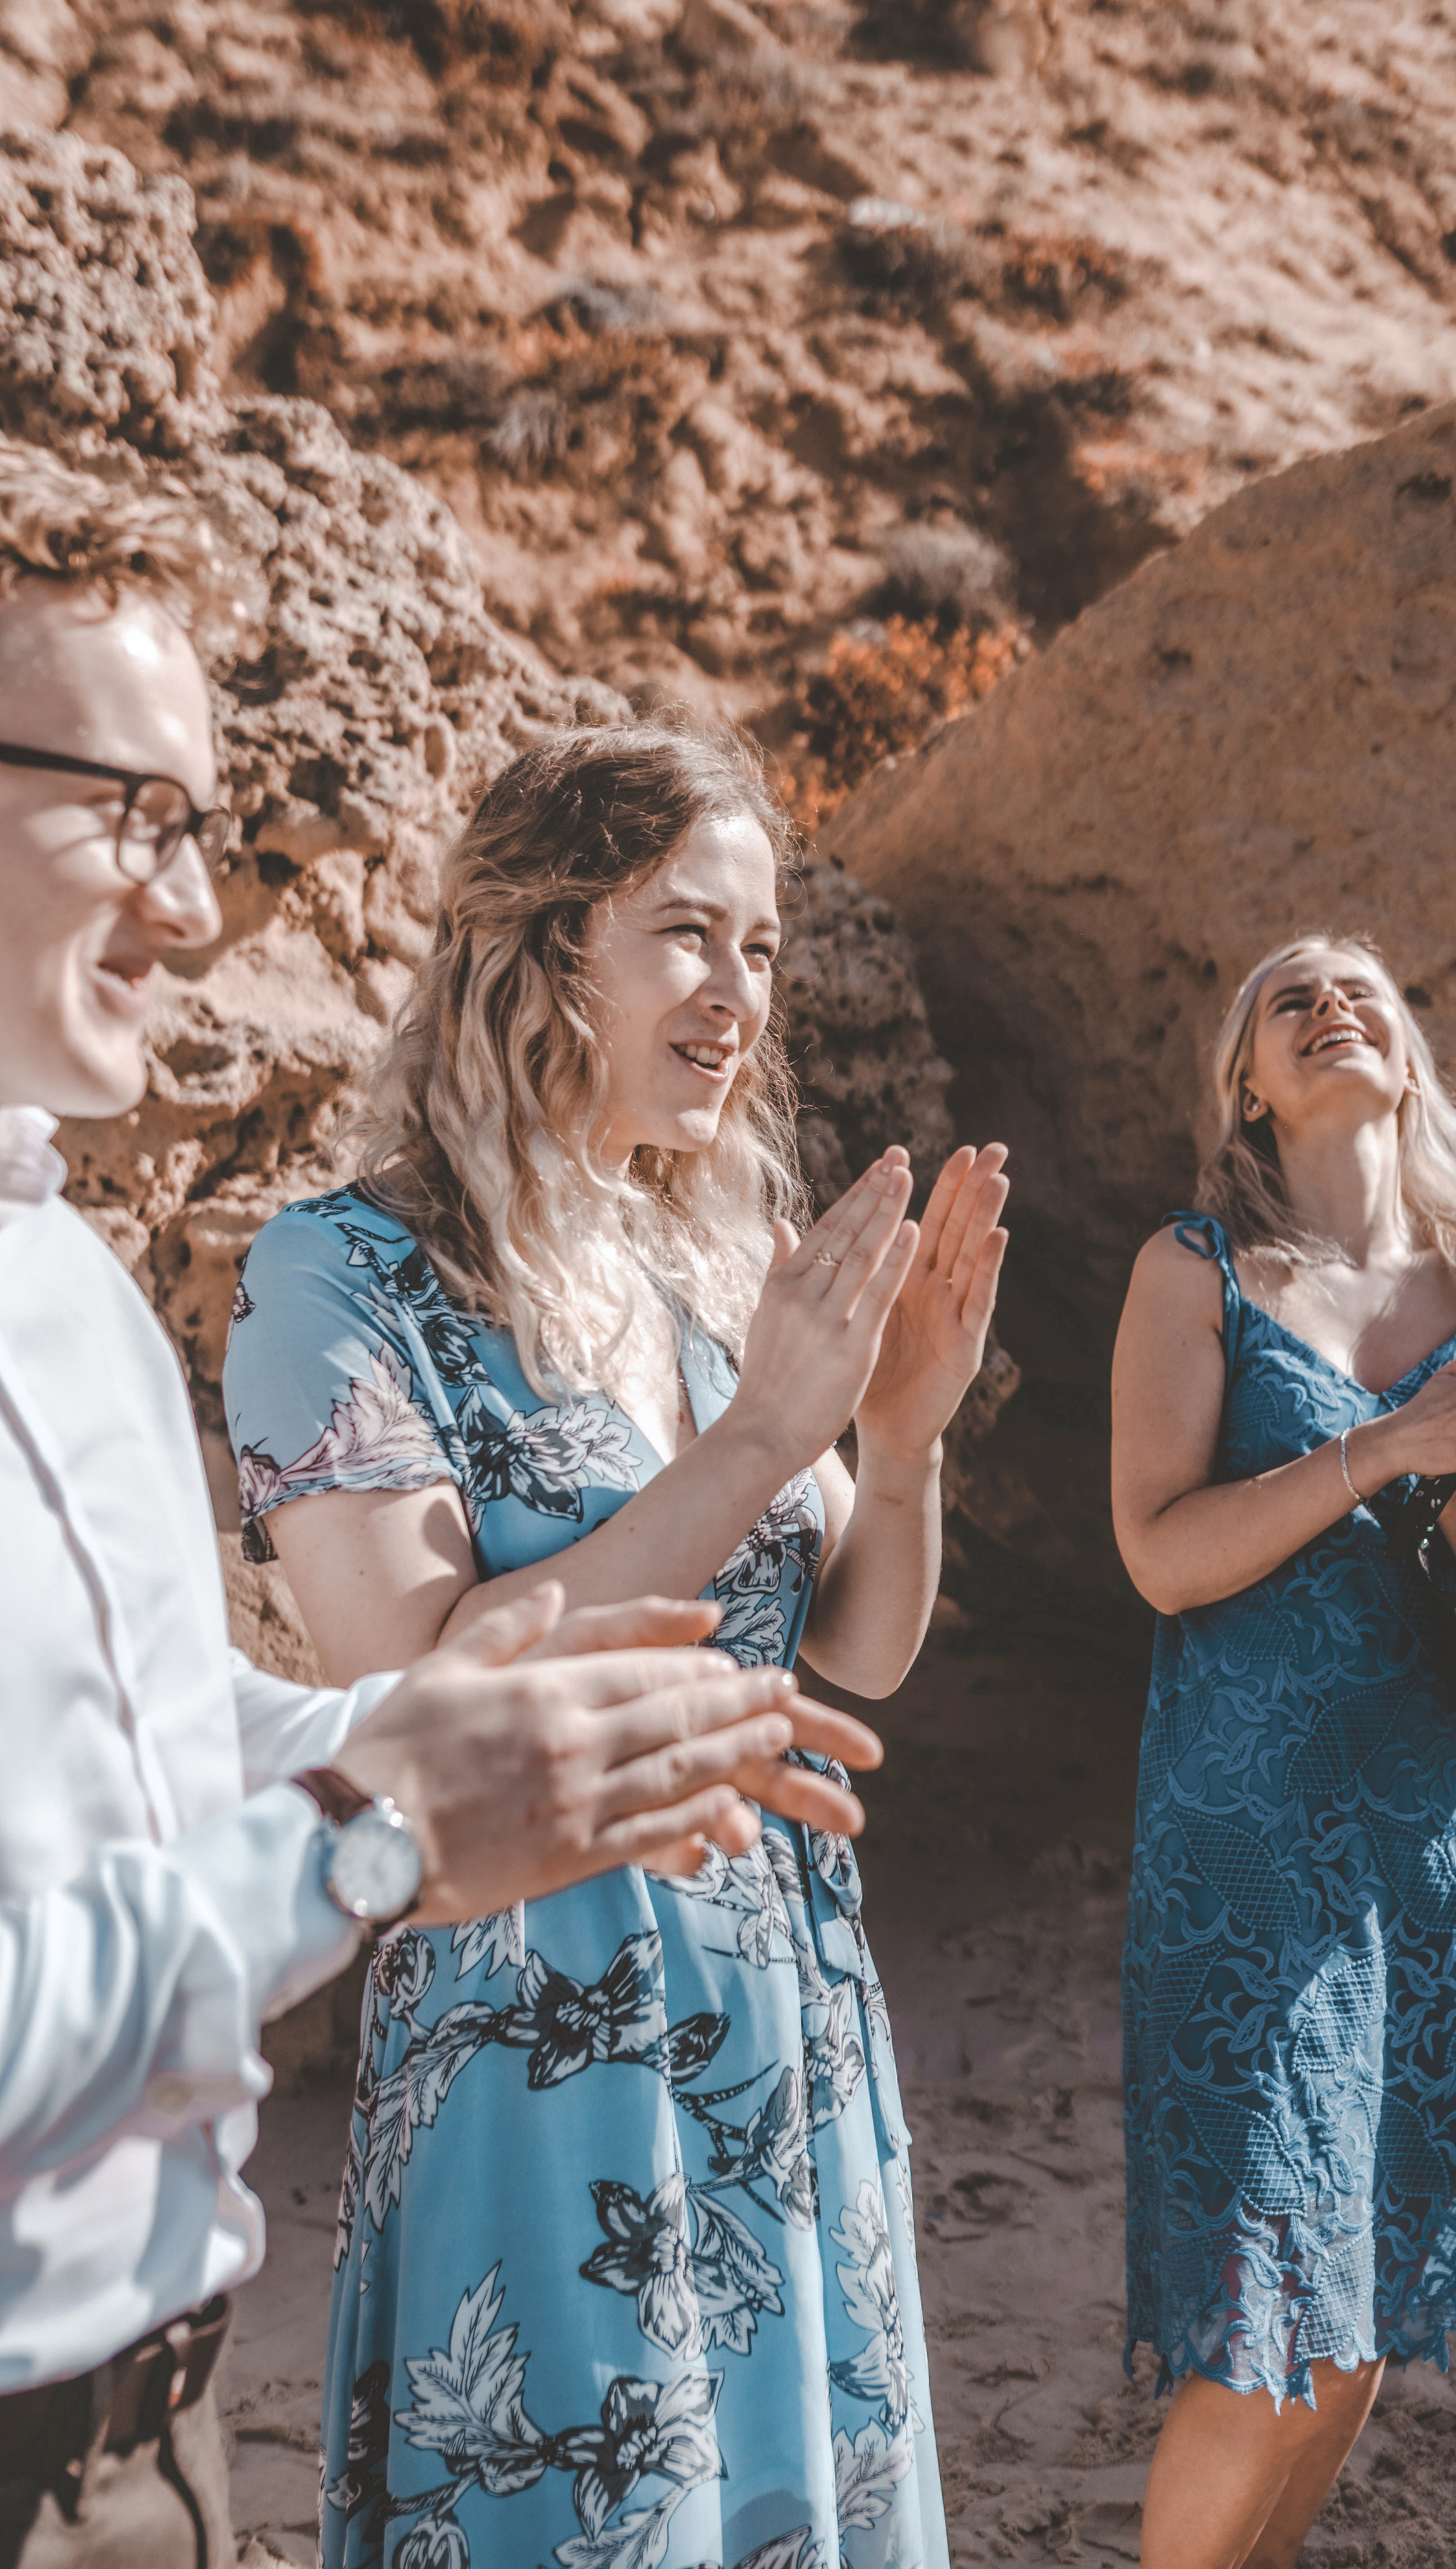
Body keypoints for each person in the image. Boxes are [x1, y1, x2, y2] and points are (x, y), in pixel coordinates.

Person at [0, 442, 883, 2569]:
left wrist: (454, 1746)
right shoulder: (334, 1271)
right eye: (135, 814)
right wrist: (382, 1823)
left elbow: (175, 1751)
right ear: (553, 949)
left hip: (156, 2438)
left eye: (206, 829)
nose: (202, 907)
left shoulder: (75, 1299)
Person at [220, 716, 1010, 2569]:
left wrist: (890, 1441)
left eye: (759, 946)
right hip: (536, 2029)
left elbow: (862, 1651)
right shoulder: (334, 1279)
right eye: (686, 934)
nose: (740, 992)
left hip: (786, 2011)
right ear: (545, 941)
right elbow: (421, 1679)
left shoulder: (706, 1278)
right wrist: (758, 1445)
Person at [1111, 933, 1456, 2569]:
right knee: (1271, 2318)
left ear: (1407, 1050)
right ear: (1245, 1087)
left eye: (1357, 987)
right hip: (1249, 1828)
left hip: (1436, 1822)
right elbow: (1160, 1557)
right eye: (1283, 998)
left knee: (1368, 2312)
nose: (1327, 1005)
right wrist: (1390, 1443)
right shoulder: (1193, 1271)